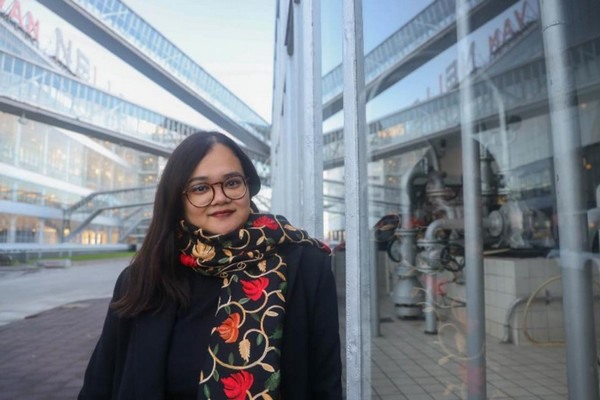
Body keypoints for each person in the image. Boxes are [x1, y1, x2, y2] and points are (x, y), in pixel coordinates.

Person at [79, 131, 343, 400]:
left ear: (248, 186)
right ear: (178, 200)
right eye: (200, 188)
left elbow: (326, 386)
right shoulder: (141, 279)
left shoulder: (306, 268)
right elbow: (99, 385)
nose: (220, 197)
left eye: (232, 182)